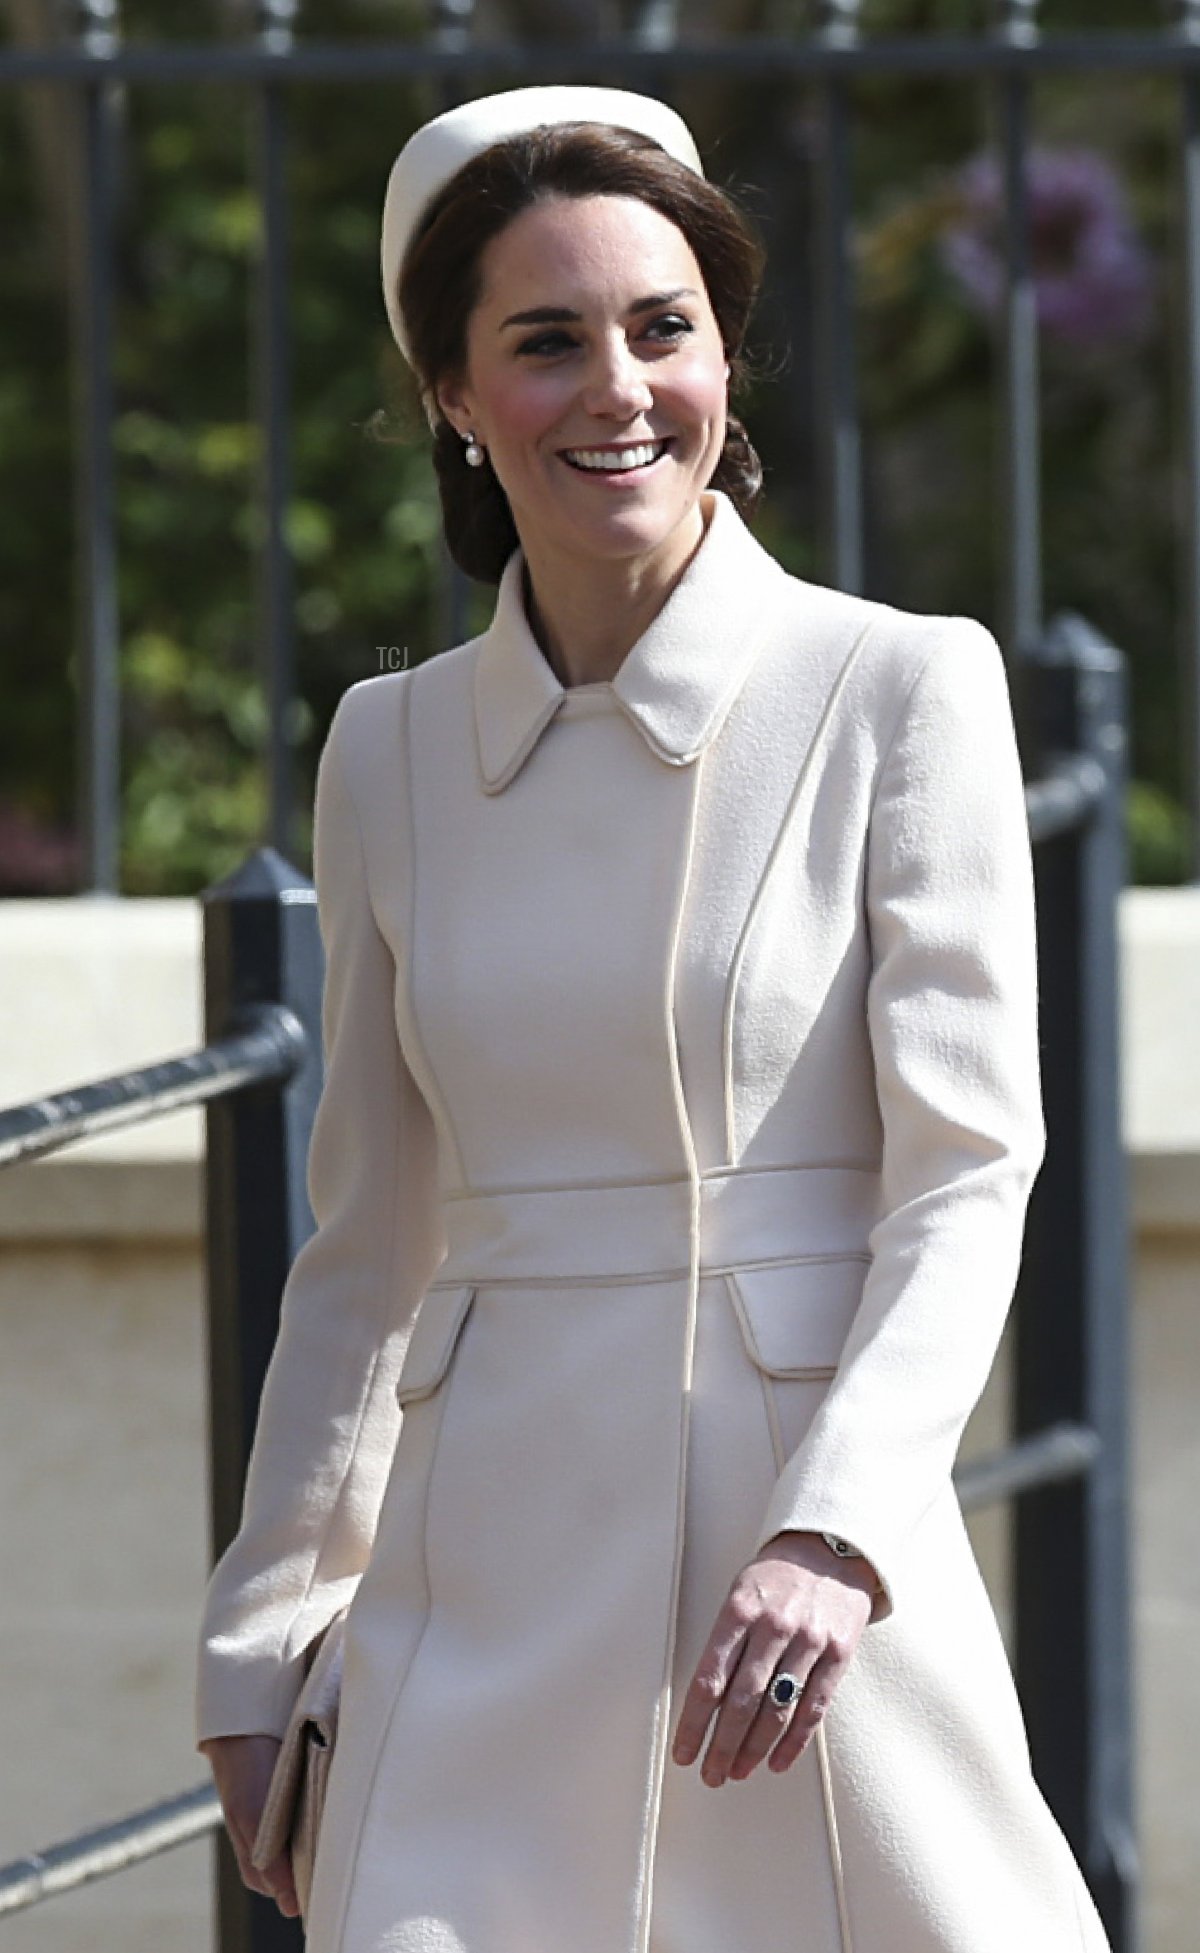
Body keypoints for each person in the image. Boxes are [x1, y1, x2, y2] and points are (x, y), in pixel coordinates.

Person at [197, 84, 1113, 1953]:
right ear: (453, 396)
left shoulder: (898, 688)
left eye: (662, 328)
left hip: (792, 1617)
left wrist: (836, 1530)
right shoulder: (386, 752)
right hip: (473, 1601)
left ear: (722, 356)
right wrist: (264, 1620)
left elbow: (967, 1172)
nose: (620, 388)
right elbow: (365, 1246)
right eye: (546, 342)